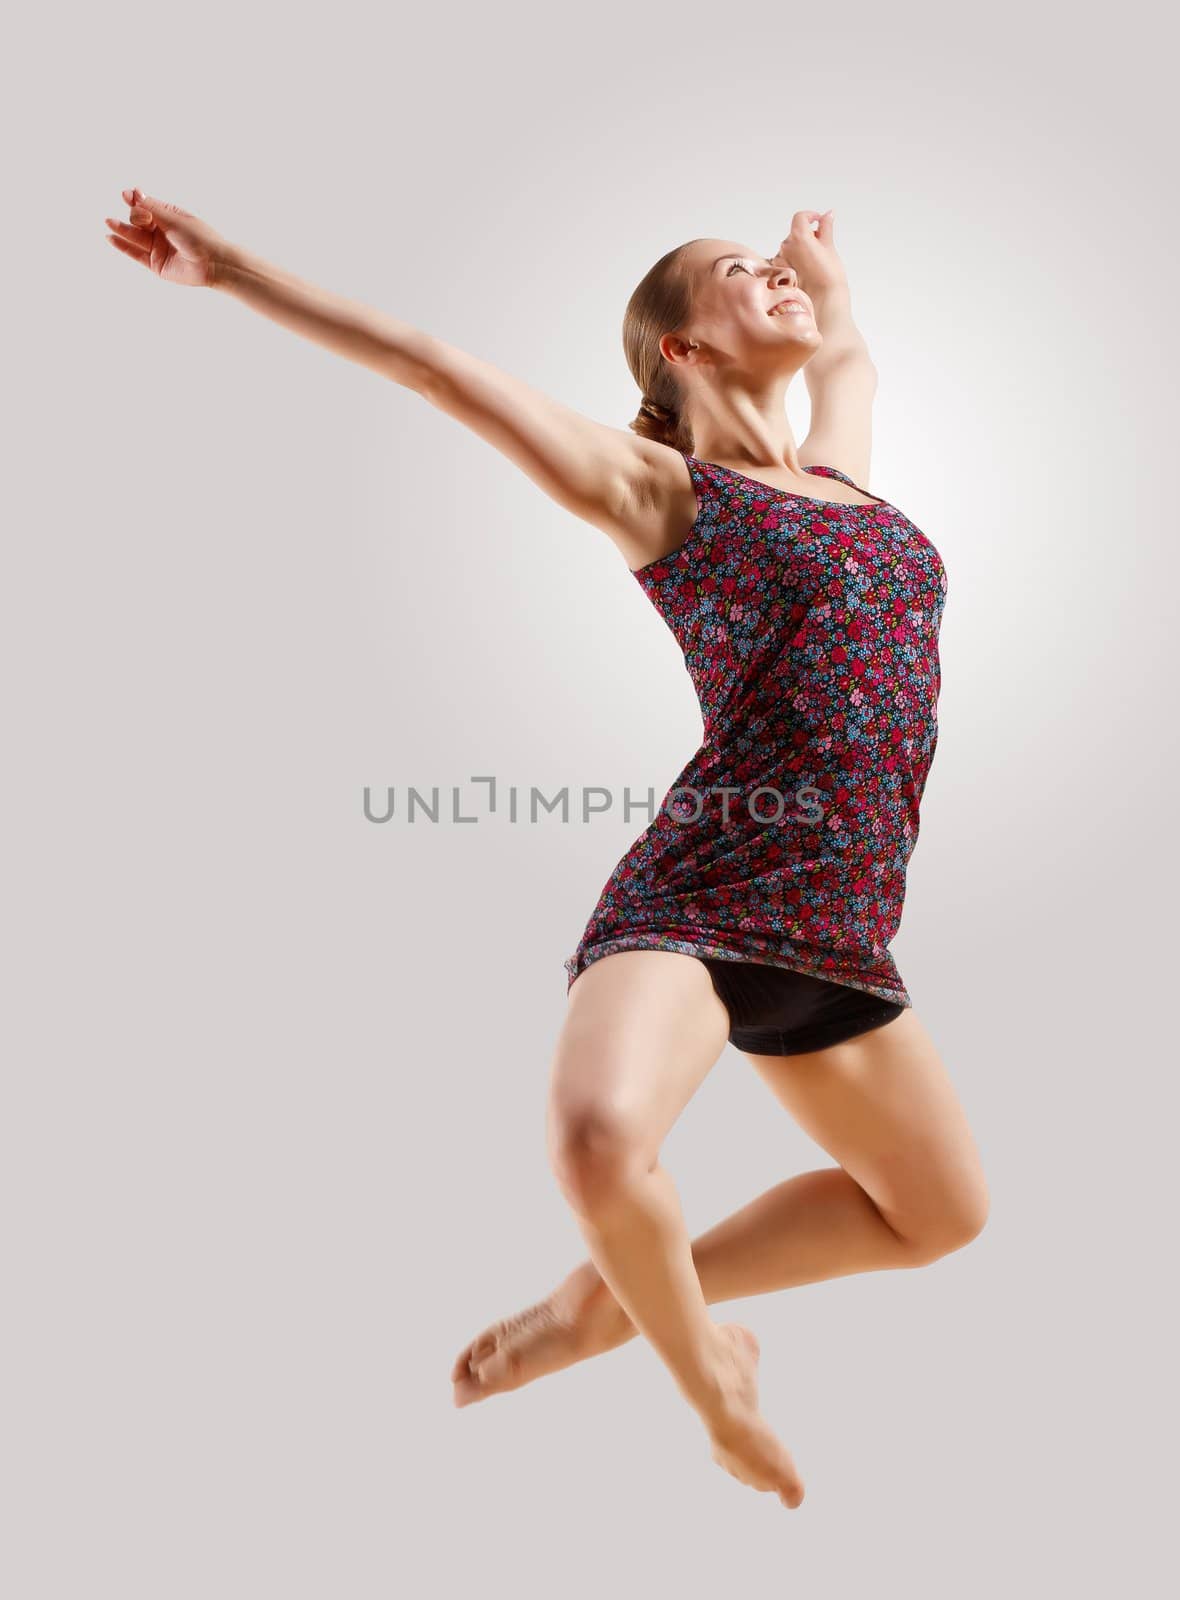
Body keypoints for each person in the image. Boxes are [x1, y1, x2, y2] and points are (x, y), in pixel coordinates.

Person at [105, 191, 989, 1510]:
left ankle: (600, 1307)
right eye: (740, 274)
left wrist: (827, 281)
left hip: (839, 921)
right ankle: (710, 1383)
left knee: (939, 1217)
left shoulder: (842, 476)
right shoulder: (660, 489)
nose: (777, 281)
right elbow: (430, 364)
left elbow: (852, 357)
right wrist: (232, 270)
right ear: (682, 352)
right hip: (701, 891)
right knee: (596, 1140)